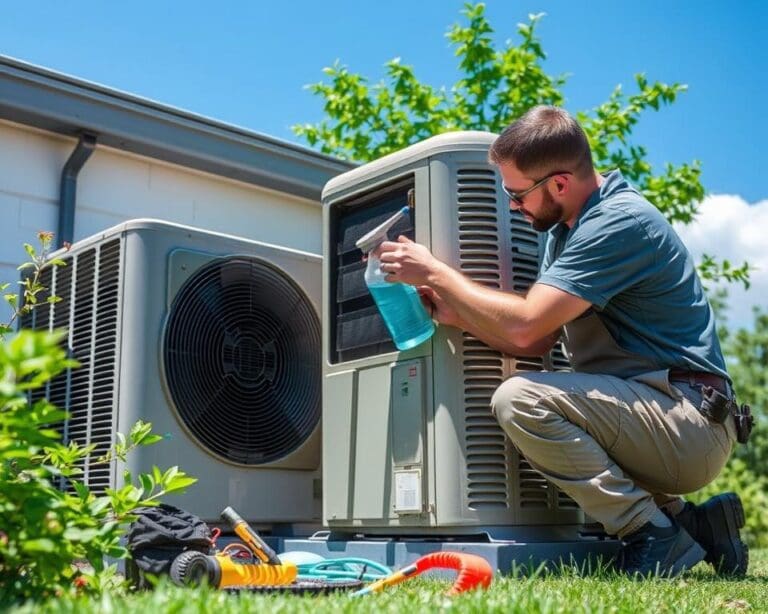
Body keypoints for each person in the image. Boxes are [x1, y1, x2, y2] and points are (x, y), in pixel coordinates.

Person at [377, 106, 749, 577]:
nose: (512, 206)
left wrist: (434, 270)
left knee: (521, 400)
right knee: (549, 394)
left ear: (558, 184)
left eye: (517, 194)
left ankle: (651, 534)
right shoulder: (566, 231)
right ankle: (694, 526)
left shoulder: (617, 223)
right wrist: (458, 313)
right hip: (660, 412)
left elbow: (527, 325)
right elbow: (537, 341)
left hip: (688, 419)